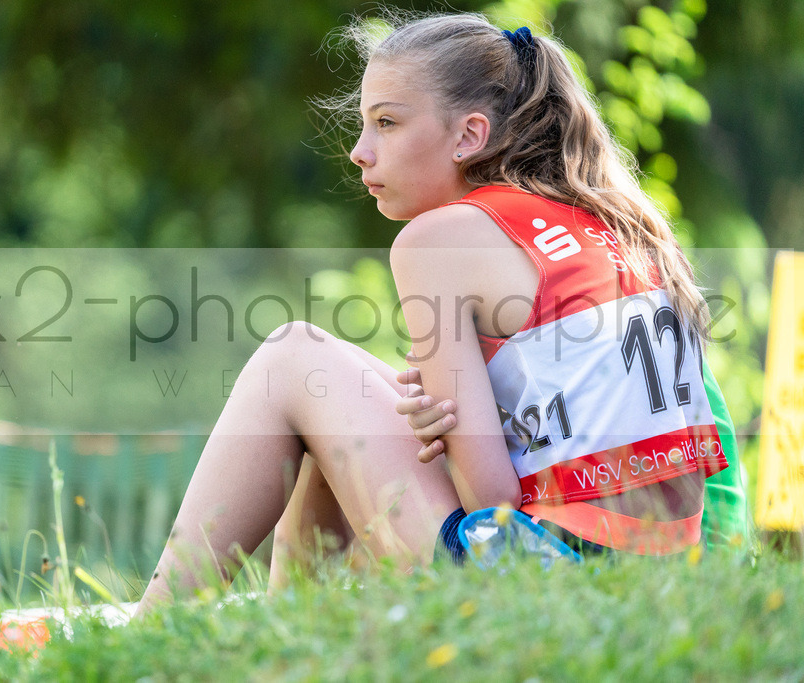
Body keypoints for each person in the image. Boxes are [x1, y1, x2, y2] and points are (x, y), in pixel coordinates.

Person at [135, 11, 732, 615]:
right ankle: (292, 636)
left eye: (386, 123)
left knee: (295, 358)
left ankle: (155, 627)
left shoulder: (441, 239)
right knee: (351, 409)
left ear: (469, 135)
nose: (359, 152)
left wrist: (446, 437)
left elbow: (491, 501)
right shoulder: (618, 226)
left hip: (548, 583)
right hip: (653, 586)